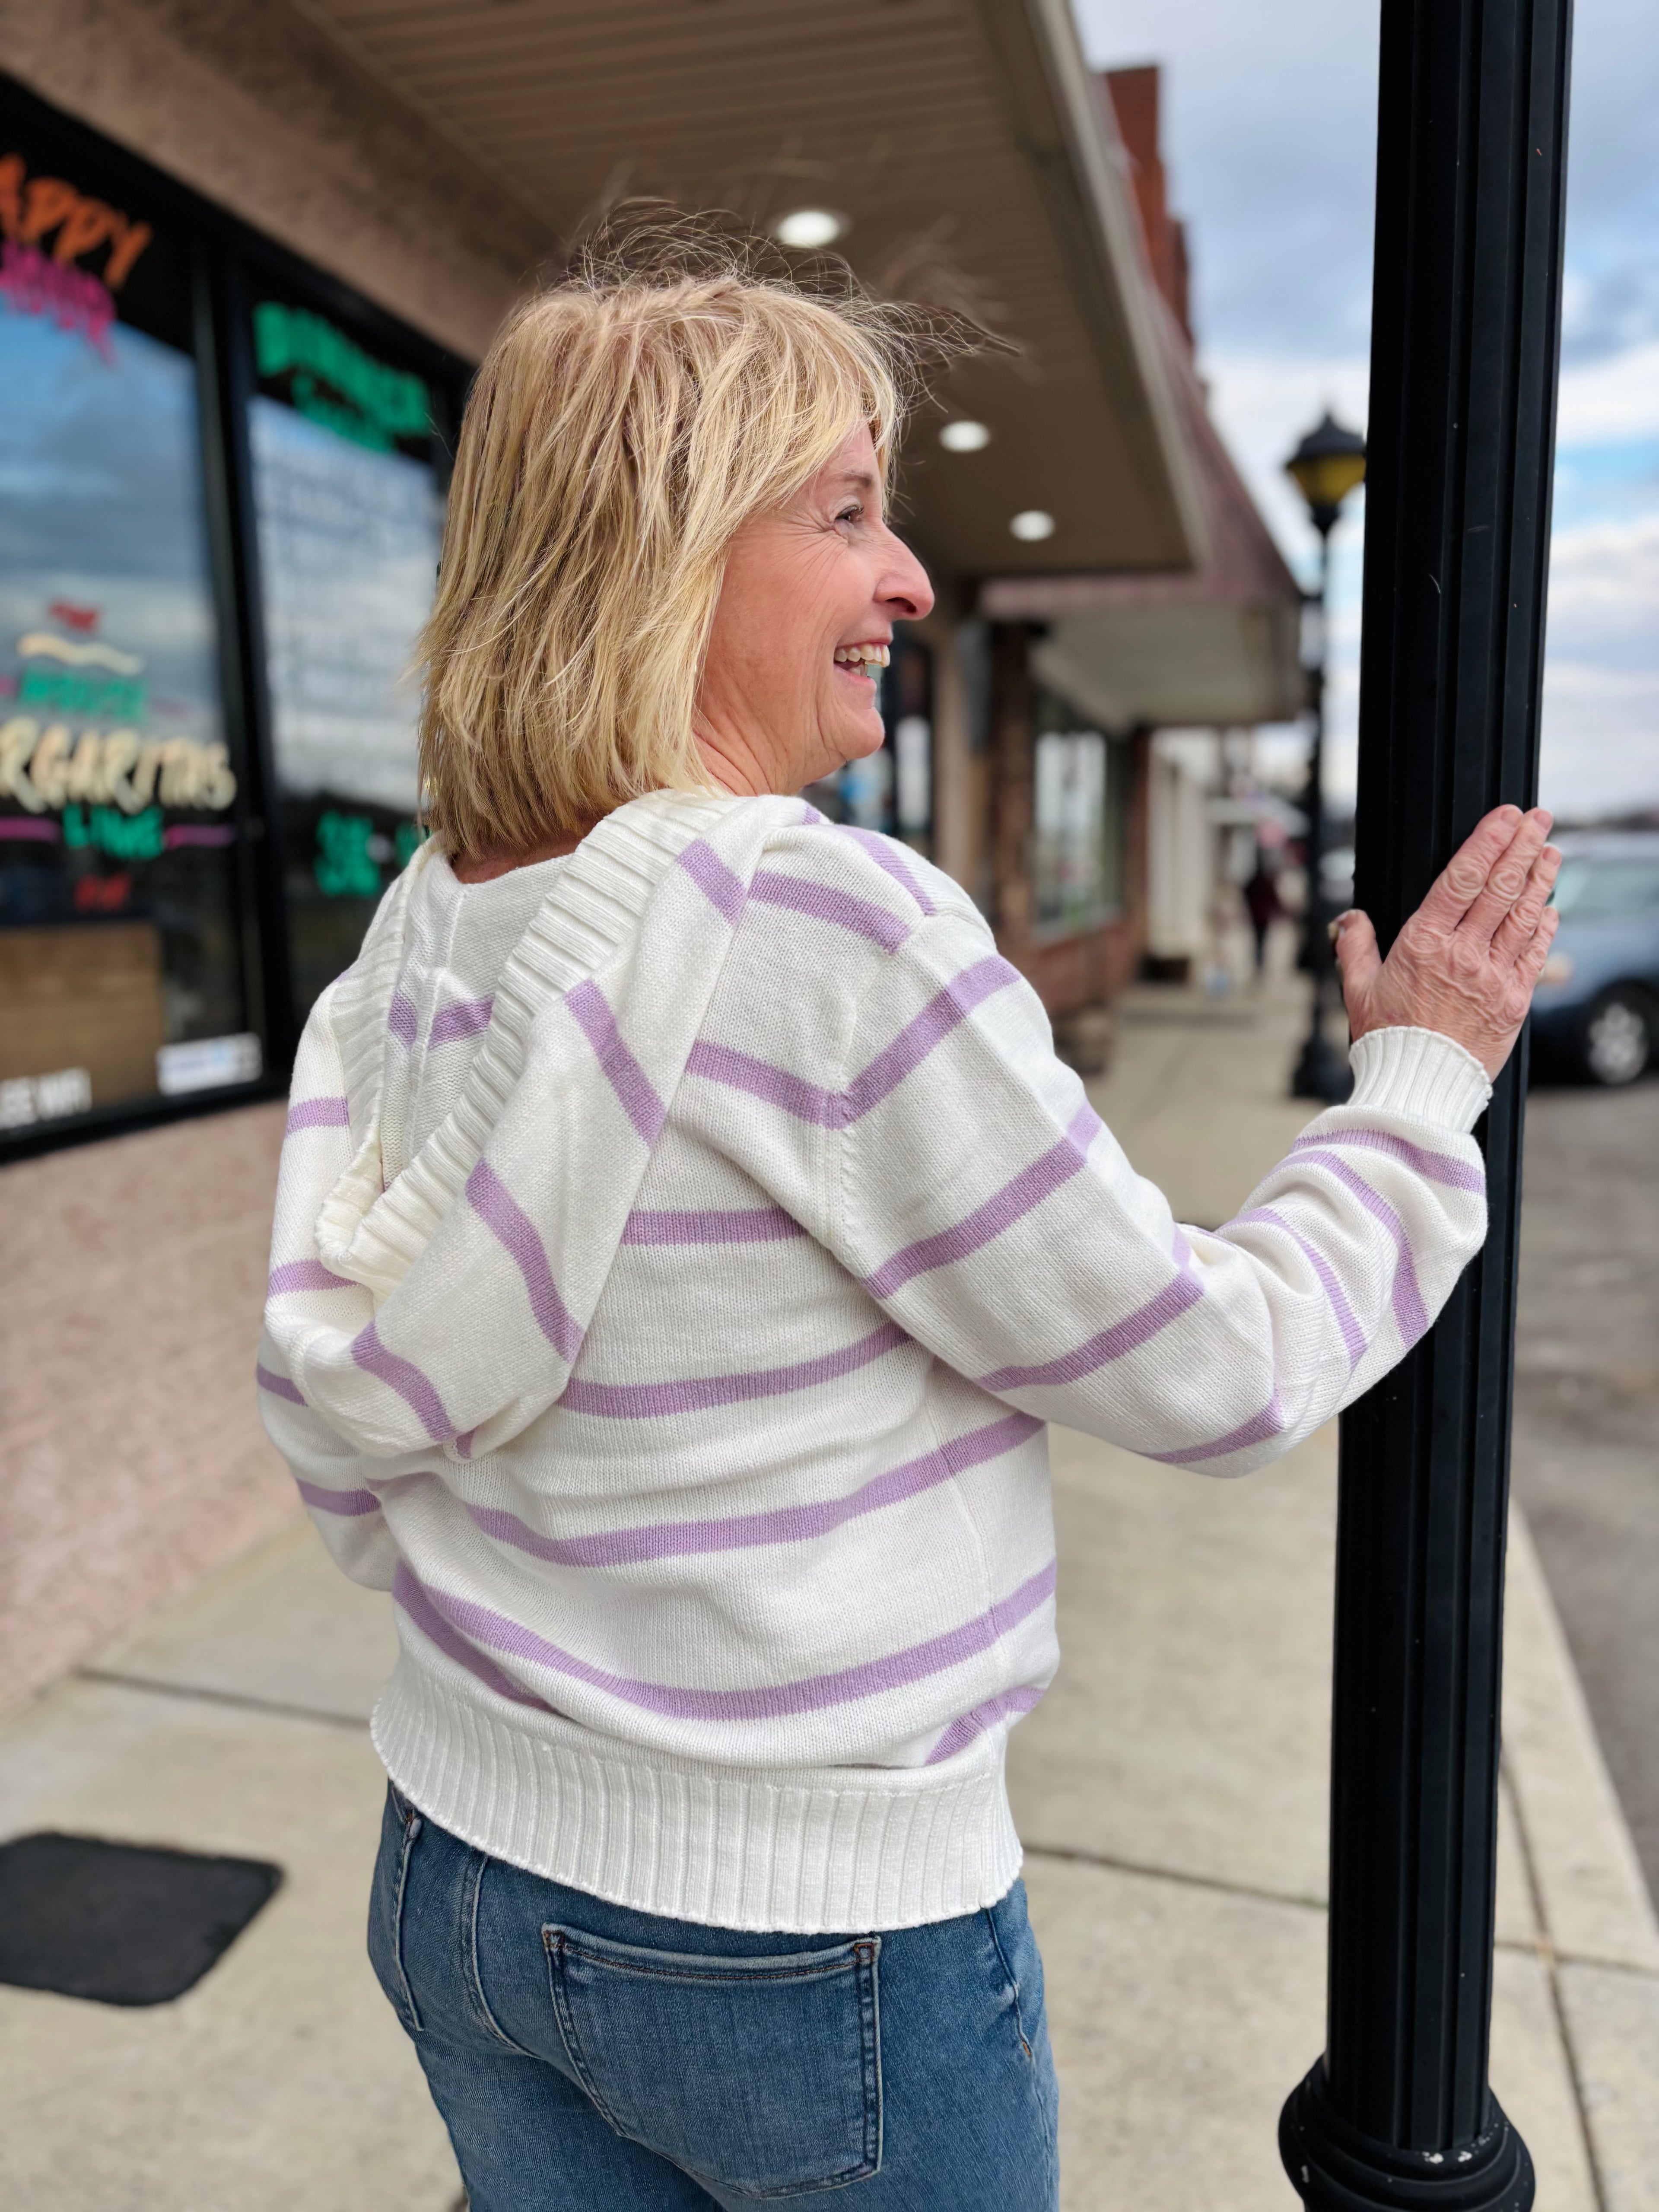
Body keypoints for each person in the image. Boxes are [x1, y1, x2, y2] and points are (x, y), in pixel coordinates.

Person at [257, 222, 1561, 2212]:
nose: (910, 578)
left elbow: (364, 1427)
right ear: (667, 545)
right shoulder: (822, 922)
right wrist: (1421, 1084)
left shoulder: (428, 926)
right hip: (808, 1938)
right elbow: (1212, 1367)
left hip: (455, 1863)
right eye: (850, 510)